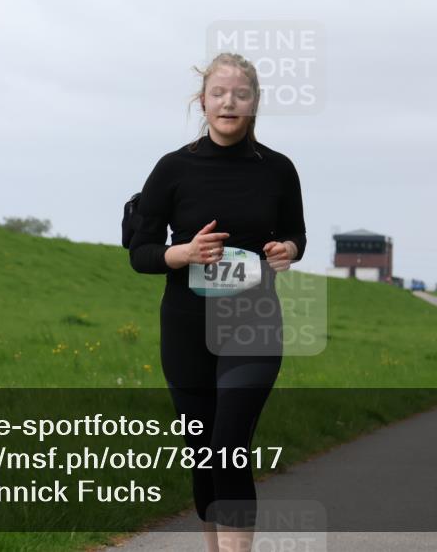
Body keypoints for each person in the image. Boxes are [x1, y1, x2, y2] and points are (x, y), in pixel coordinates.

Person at [128, 52, 306, 552]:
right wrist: (181, 253)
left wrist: (285, 250)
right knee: (204, 453)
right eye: (219, 93)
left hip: (253, 321)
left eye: (240, 94)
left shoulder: (278, 169)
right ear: (202, 101)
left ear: (254, 103)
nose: (229, 102)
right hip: (187, 326)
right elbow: (140, 253)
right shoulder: (172, 168)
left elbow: (296, 233)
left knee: (229, 445)